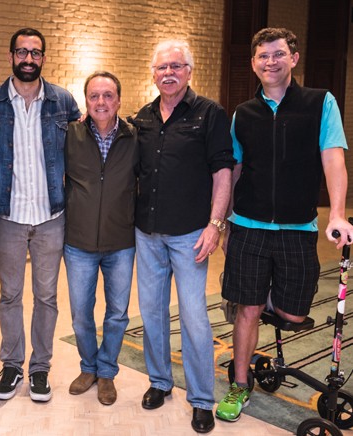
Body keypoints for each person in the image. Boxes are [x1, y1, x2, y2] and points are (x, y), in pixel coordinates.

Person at [216, 27, 353, 423]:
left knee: (294, 314)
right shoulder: (244, 112)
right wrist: (223, 221)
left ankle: (253, 296)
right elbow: (235, 168)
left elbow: (333, 160)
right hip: (249, 225)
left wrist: (339, 212)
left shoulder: (319, 103)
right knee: (249, 310)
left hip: (298, 227)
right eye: (262, 56)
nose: (270, 62)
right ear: (253, 63)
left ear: (293, 58)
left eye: (278, 54)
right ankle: (240, 382)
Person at [130, 39, 234, 433]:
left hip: (191, 233)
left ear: (189, 70)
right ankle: (159, 381)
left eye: (176, 66)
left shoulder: (209, 113)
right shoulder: (142, 117)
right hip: (147, 233)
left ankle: (202, 399)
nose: (168, 73)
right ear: (153, 73)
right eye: (161, 68)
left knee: (193, 318)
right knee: (153, 313)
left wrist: (216, 224)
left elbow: (222, 171)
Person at [0, 27, 81, 403]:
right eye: (22, 52)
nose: (29, 59)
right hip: (9, 218)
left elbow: (83, 149)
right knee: (9, 296)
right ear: (10, 57)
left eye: (35, 53)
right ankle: (12, 364)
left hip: (52, 215)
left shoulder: (63, 101)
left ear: (44, 59)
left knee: (47, 296)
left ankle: (40, 368)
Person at [63, 71, 138, 406]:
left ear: (119, 100)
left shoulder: (137, 136)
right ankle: (88, 366)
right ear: (86, 101)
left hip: (120, 240)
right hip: (78, 241)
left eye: (108, 95)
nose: (101, 102)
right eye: (94, 96)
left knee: (118, 312)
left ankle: (107, 371)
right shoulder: (71, 133)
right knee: (81, 312)